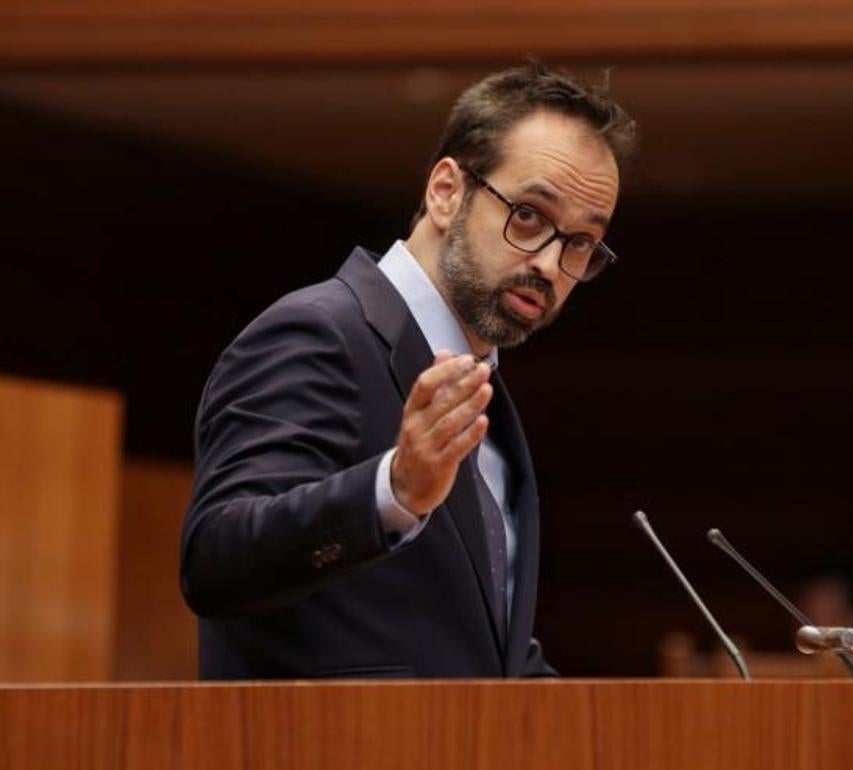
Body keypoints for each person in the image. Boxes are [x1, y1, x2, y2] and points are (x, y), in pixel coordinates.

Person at [179, 63, 637, 679]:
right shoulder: (320, 332)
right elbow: (216, 561)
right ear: (446, 191)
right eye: (529, 215)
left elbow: (473, 656)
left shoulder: (481, 390)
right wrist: (392, 491)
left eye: (580, 242)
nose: (552, 265)